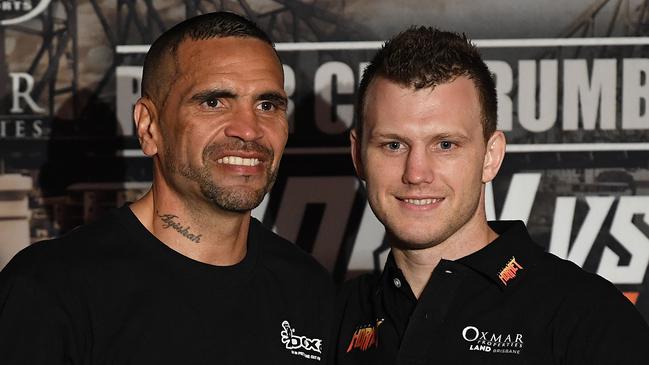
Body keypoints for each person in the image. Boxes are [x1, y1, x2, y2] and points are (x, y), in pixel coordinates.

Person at [0, 12, 333, 364]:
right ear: (149, 128)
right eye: (213, 102)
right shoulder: (51, 287)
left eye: (267, 105)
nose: (248, 130)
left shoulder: (306, 287)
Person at [333, 26, 649, 364]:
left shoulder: (586, 317)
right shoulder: (333, 318)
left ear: (491, 156)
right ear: (358, 156)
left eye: (445, 145)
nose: (417, 173)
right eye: (393, 145)